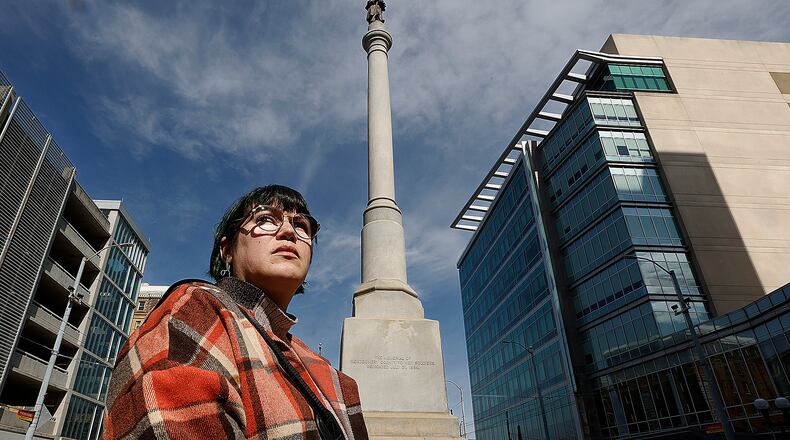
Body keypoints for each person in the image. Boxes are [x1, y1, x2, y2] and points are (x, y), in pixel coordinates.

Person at [103, 185, 368, 439]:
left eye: (301, 226)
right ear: (227, 249)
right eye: (265, 218)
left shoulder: (328, 373)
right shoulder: (197, 310)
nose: (289, 231)